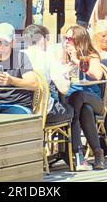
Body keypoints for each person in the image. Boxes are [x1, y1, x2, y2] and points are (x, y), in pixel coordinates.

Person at [22, 24, 91, 171]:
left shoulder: (19, 55)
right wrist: (65, 73)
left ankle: (56, 154)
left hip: (24, 110)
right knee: (72, 111)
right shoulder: (47, 57)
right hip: (44, 112)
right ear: (43, 39)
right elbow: (64, 89)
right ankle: (78, 158)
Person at [64, 25, 105, 170]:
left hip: (93, 98)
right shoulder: (63, 55)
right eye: (65, 38)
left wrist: (76, 60)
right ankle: (97, 152)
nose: (66, 41)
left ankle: (77, 153)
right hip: (73, 100)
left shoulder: (91, 55)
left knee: (79, 97)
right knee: (84, 110)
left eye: (69, 38)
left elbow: (96, 75)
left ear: (79, 40)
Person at [0, 23, 39, 115]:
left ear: (13, 43)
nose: (0, 46)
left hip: (19, 105)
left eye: (5, 42)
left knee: (11, 119)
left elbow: (34, 84)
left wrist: (11, 80)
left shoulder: (20, 57)